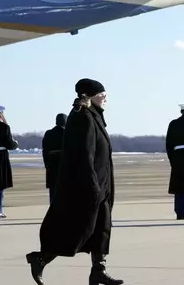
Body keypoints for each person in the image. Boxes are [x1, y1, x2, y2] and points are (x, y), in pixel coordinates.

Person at [26, 78, 123, 285]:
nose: (105, 98)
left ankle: (99, 270)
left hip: (102, 184)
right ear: (89, 96)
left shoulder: (94, 115)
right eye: (101, 94)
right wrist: (92, 185)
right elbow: (83, 154)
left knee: (102, 229)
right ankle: (41, 258)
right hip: (89, 186)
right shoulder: (83, 117)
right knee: (78, 229)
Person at [42, 114, 67, 204]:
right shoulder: (68, 133)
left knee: (53, 191)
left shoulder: (48, 133)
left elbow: (44, 150)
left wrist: (46, 164)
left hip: (51, 165)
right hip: (65, 165)